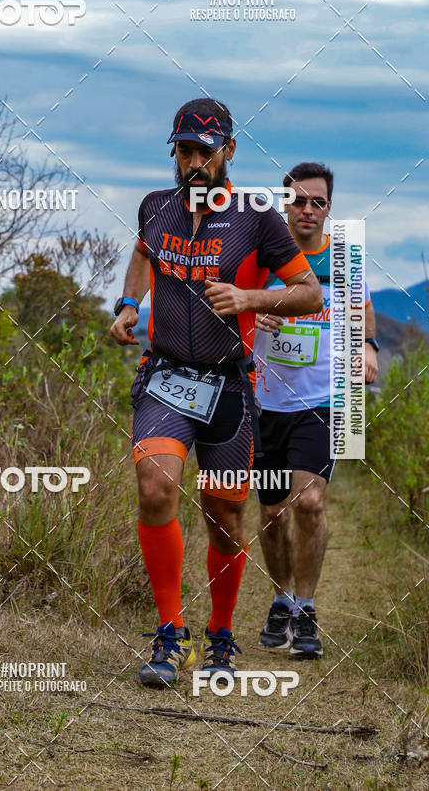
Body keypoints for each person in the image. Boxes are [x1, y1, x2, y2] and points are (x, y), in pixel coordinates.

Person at [109, 100, 322, 686]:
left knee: (225, 517)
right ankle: (170, 633)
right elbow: (142, 252)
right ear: (173, 153)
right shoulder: (156, 207)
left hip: (230, 384)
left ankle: (220, 634)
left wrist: (250, 299)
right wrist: (130, 305)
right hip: (166, 375)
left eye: (207, 151)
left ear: (229, 150)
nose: (195, 162)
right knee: (156, 488)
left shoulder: (257, 217)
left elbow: (309, 294)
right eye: (185, 151)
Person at [253, 161, 379, 658]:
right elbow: (229, 300)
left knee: (308, 504)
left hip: (323, 400)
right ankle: (281, 599)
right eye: (299, 200)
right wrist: (254, 310)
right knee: (270, 511)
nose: (308, 210)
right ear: (285, 203)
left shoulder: (344, 255)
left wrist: (369, 346)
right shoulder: (262, 252)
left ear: (330, 207)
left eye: (318, 202)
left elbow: (363, 304)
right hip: (263, 400)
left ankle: (305, 609)